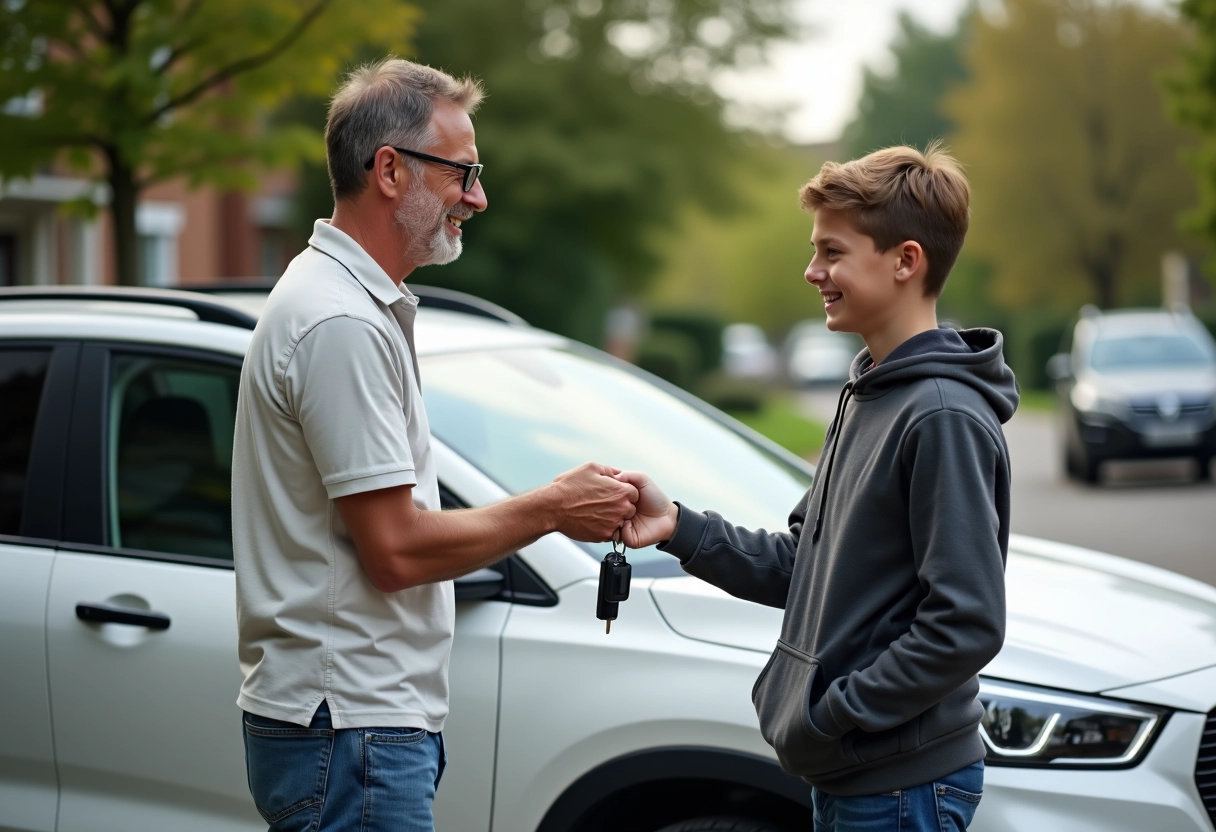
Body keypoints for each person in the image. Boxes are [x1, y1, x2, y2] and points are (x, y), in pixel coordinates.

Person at [230, 58, 637, 832]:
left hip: (349, 726)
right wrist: (552, 508)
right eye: (463, 172)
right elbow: (396, 552)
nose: (477, 197)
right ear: (389, 170)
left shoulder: (344, 303)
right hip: (351, 727)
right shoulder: (340, 323)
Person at [618, 144, 1018, 832]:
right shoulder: (870, 392)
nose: (813, 272)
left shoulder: (942, 416)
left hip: (898, 787)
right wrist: (679, 527)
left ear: (905, 261)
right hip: (854, 774)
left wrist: (837, 715)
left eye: (832, 253)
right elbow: (805, 567)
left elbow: (966, 622)